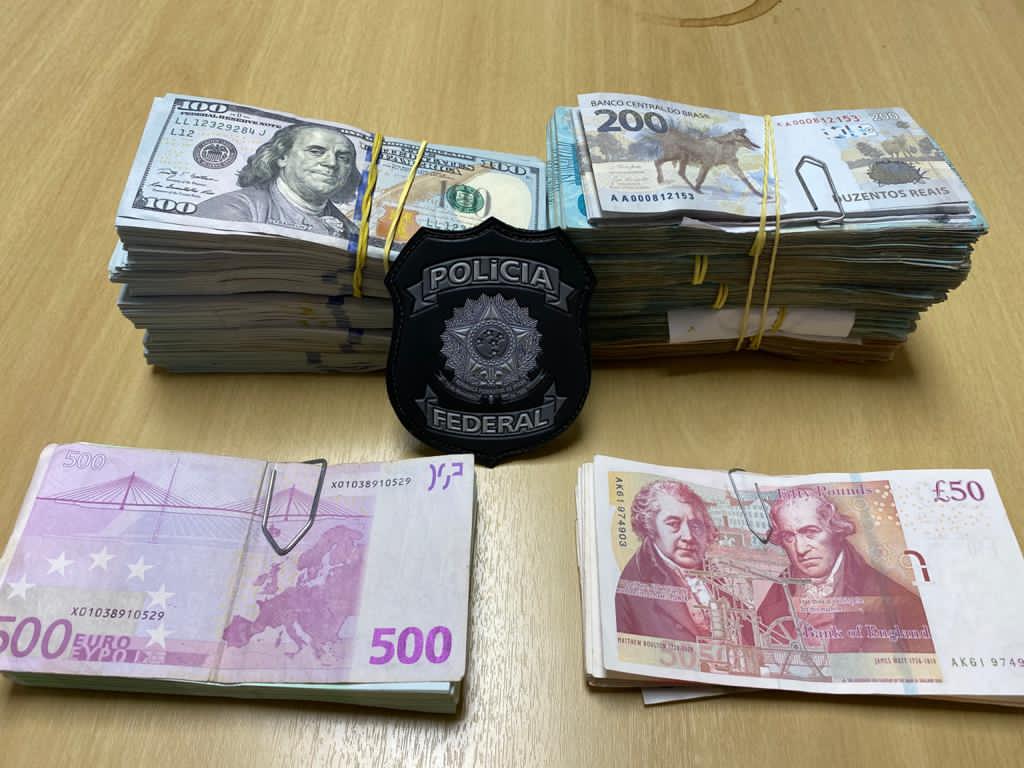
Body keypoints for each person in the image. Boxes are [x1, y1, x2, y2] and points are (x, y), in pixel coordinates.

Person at [756, 493, 934, 653]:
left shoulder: (896, 599)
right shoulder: (781, 588)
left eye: (810, 532)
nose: (800, 549)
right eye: (788, 537)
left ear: (836, 531)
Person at [195, 123, 361, 238]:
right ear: (282, 157)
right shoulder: (233, 209)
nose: (331, 163)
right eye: (316, 152)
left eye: (343, 157)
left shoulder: (352, 230)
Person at [614, 479, 720, 642]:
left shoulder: (721, 577)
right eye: (673, 524)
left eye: (695, 525)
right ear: (651, 528)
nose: (688, 536)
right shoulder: (633, 583)